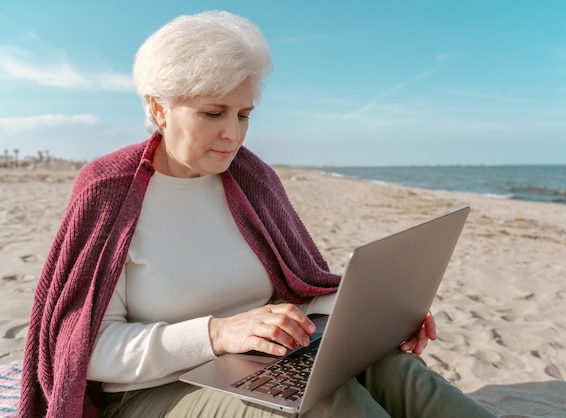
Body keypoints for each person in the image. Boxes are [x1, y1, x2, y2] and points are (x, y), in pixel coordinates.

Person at [19, 10, 497, 418]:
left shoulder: (251, 180)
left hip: (260, 362)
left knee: (403, 373)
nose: (233, 134)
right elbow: (84, 350)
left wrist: (383, 316)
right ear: (159, 109)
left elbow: (299, 292)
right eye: (213, 113)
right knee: (331, 404)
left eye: (244, 114)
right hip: (154, 393)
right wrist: (218, 334)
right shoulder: (108, 193)